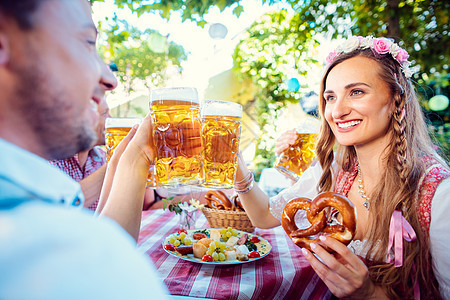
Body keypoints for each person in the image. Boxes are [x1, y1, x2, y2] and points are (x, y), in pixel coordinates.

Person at [233, 36, 450, 299]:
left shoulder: (439, 195)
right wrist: (234, 161)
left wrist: (370, 294)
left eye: (356, 92)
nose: (337, 111)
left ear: (395, 99)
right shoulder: (338, 171)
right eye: (331, 97)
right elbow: (264, 217)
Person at [0, 0, 167, 298]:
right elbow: (100, 262)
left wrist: (133, 158)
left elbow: (101, 237)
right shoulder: (73, 260)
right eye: (87, 43)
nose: (110, 80)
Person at [49, 95, 110, 210]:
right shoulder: (50, 157)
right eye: (105, 114)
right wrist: (115, 164)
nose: (111, 119)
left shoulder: (102, 157)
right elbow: (59, 206)